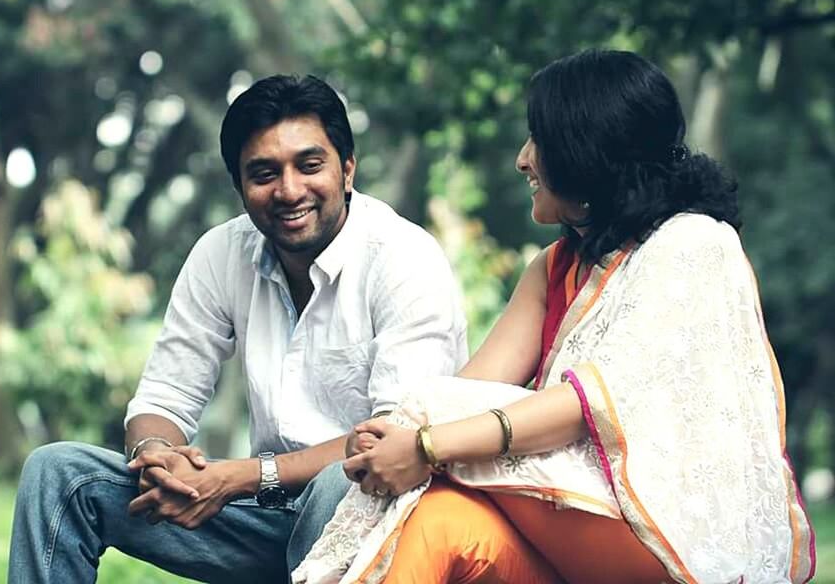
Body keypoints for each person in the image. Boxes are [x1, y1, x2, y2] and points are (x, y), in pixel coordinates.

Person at [294, 50, 816, 584]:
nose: (523, 160)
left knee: (430, 430)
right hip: (569, 539)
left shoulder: (693, 242)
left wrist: (426, 446)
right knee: (435, 522)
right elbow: (464, 392)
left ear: (586, 150)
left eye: (537, 141)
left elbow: (583, 405)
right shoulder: (554, 267)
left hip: (664, 542)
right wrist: (394, 436)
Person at [7, 74, 469, 583]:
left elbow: (391, 446)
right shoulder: (221, 254)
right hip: (260, 518)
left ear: (348, 170)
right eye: (264, 173)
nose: (289, 190)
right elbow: (163, 399)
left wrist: (240, 478)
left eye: (310, 165)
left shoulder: (404, 258)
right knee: (59, 474)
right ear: (240, 187)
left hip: (381, 519)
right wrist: (157, 456)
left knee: (339, 484)